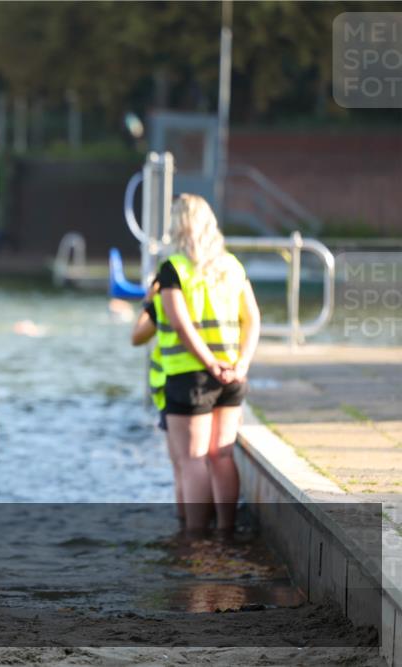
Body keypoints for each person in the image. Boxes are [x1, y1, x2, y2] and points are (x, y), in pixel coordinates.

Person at [154, 194, 261, 535]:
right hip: (232, 375)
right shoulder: (232, 266)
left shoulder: (173, 269)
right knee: (222, 455)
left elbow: (180, 325)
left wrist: (209, 364)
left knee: (193, 459)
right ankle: (226, 531)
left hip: (191, 378)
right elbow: (253, 319)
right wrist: (241, 364)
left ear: (177, 225)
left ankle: (196, 539)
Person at [130, 279, 189, 523]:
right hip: (222, 377)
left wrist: (148, 303)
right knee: (214, 460)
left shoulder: (169, 293)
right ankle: (218, 529)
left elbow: (137, 336)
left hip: (177, 384)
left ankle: (190, 529)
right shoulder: (223, 280)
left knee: (184, 464)